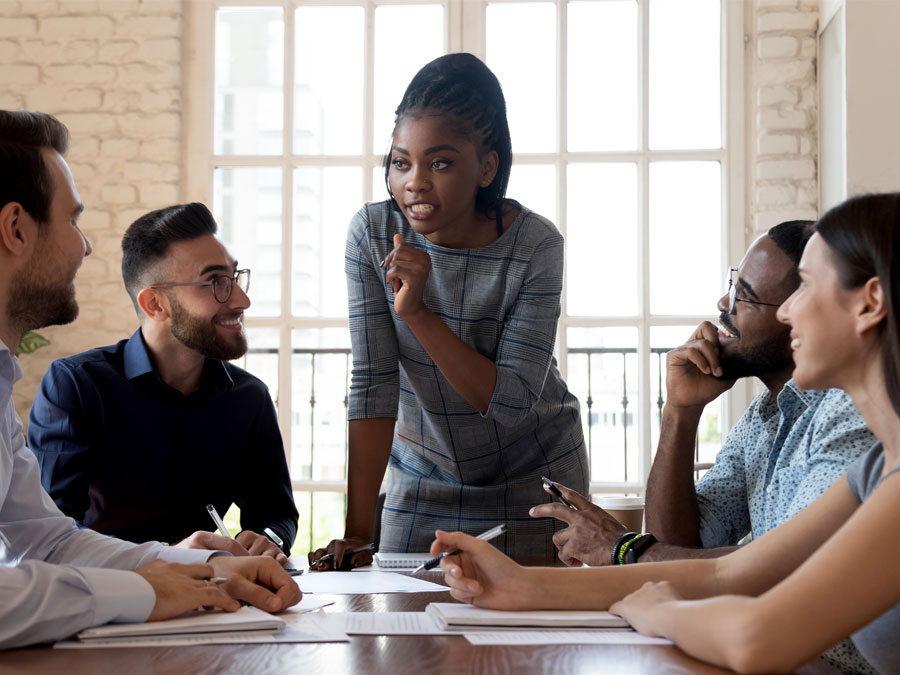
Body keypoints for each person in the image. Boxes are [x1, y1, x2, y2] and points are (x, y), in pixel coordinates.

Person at [433, 193, 900, 673]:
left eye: (805, 286)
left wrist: (657, 609)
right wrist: (518, 584)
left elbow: (755, 636)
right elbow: (728, 571)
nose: (787, 312)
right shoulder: (874, 471)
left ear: (870, 304)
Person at [0, 109, 299, 649]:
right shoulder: (77, 383)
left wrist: (203, 564)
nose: (86, 246)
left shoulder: (1, 380)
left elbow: (45, 541)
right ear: (16, 229)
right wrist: (149, 589)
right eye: (74, 221)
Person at [309, 53, 588, 569]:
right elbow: (373, 381)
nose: (415, 181)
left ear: (486, 167)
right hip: (422, 477)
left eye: (440, 162)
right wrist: (356, 531)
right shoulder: (370, 235)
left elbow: (508, 403)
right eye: (400, 162)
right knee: (403, 633)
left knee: (526, 644)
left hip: (536, 476)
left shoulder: (534, 244)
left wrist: (417, 313)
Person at [533, 221, 873, 568]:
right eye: (732, 285)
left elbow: (792, 568)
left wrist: (624, 548)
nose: (725, 302)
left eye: (746, 295)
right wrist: (680, 411)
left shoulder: (852, 412)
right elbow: (679, 548)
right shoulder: (764, 416)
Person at [27, 202, 298, 563]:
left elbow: (276, 513)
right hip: (106, 601)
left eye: (234, 276)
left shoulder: (249, 398)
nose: (241, 299)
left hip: (215, 603)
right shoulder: (76, 386)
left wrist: (268, 538)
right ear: (155, 303)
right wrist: (167, 557)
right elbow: (53, 532)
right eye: (215, 281)